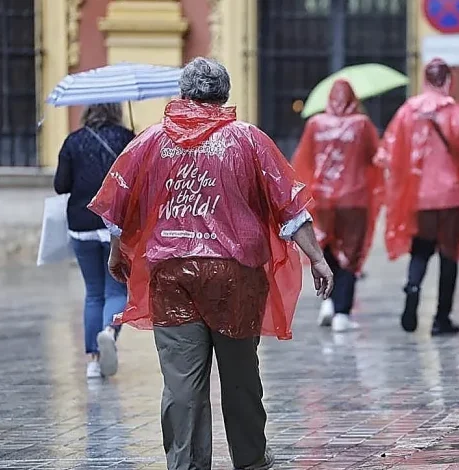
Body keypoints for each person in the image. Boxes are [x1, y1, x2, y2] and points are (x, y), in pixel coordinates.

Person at [88, 57, 333, 470]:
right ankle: (251, 458)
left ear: (184, 94)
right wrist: (317, 257)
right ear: (225, 95)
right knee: (240, 377)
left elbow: (119, 203)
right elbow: (290, 206)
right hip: (234, 277)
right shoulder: (249, 140)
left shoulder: (150, 141)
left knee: (182, 384)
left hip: (171, 276)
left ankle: (186, 463)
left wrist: (117, 253)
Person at [376, 58, 459, 336]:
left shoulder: (406, 113)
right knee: (449, 255)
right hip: (451, 198)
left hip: (419, 197)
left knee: (421, 250)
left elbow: (388, 156)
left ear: (424, 79)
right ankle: (441, 317)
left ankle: (412, 291)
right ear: (449, 80)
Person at [292, 79, 382, 333]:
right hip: (354, 199)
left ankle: (328, 303)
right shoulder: (362, 125)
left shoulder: (315, 124)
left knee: (325, 250)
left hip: (322, 199)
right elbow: (375, 156)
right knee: (350, 255)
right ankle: (342, 311)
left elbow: (303, 161)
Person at [54, 103, 134, 379]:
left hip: (82, 223)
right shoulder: (126, 138)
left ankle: (92, 361)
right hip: (117, 225)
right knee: (117, 291)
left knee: (93, 293)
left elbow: (60, 185)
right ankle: (109, 331)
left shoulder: (73, 141)